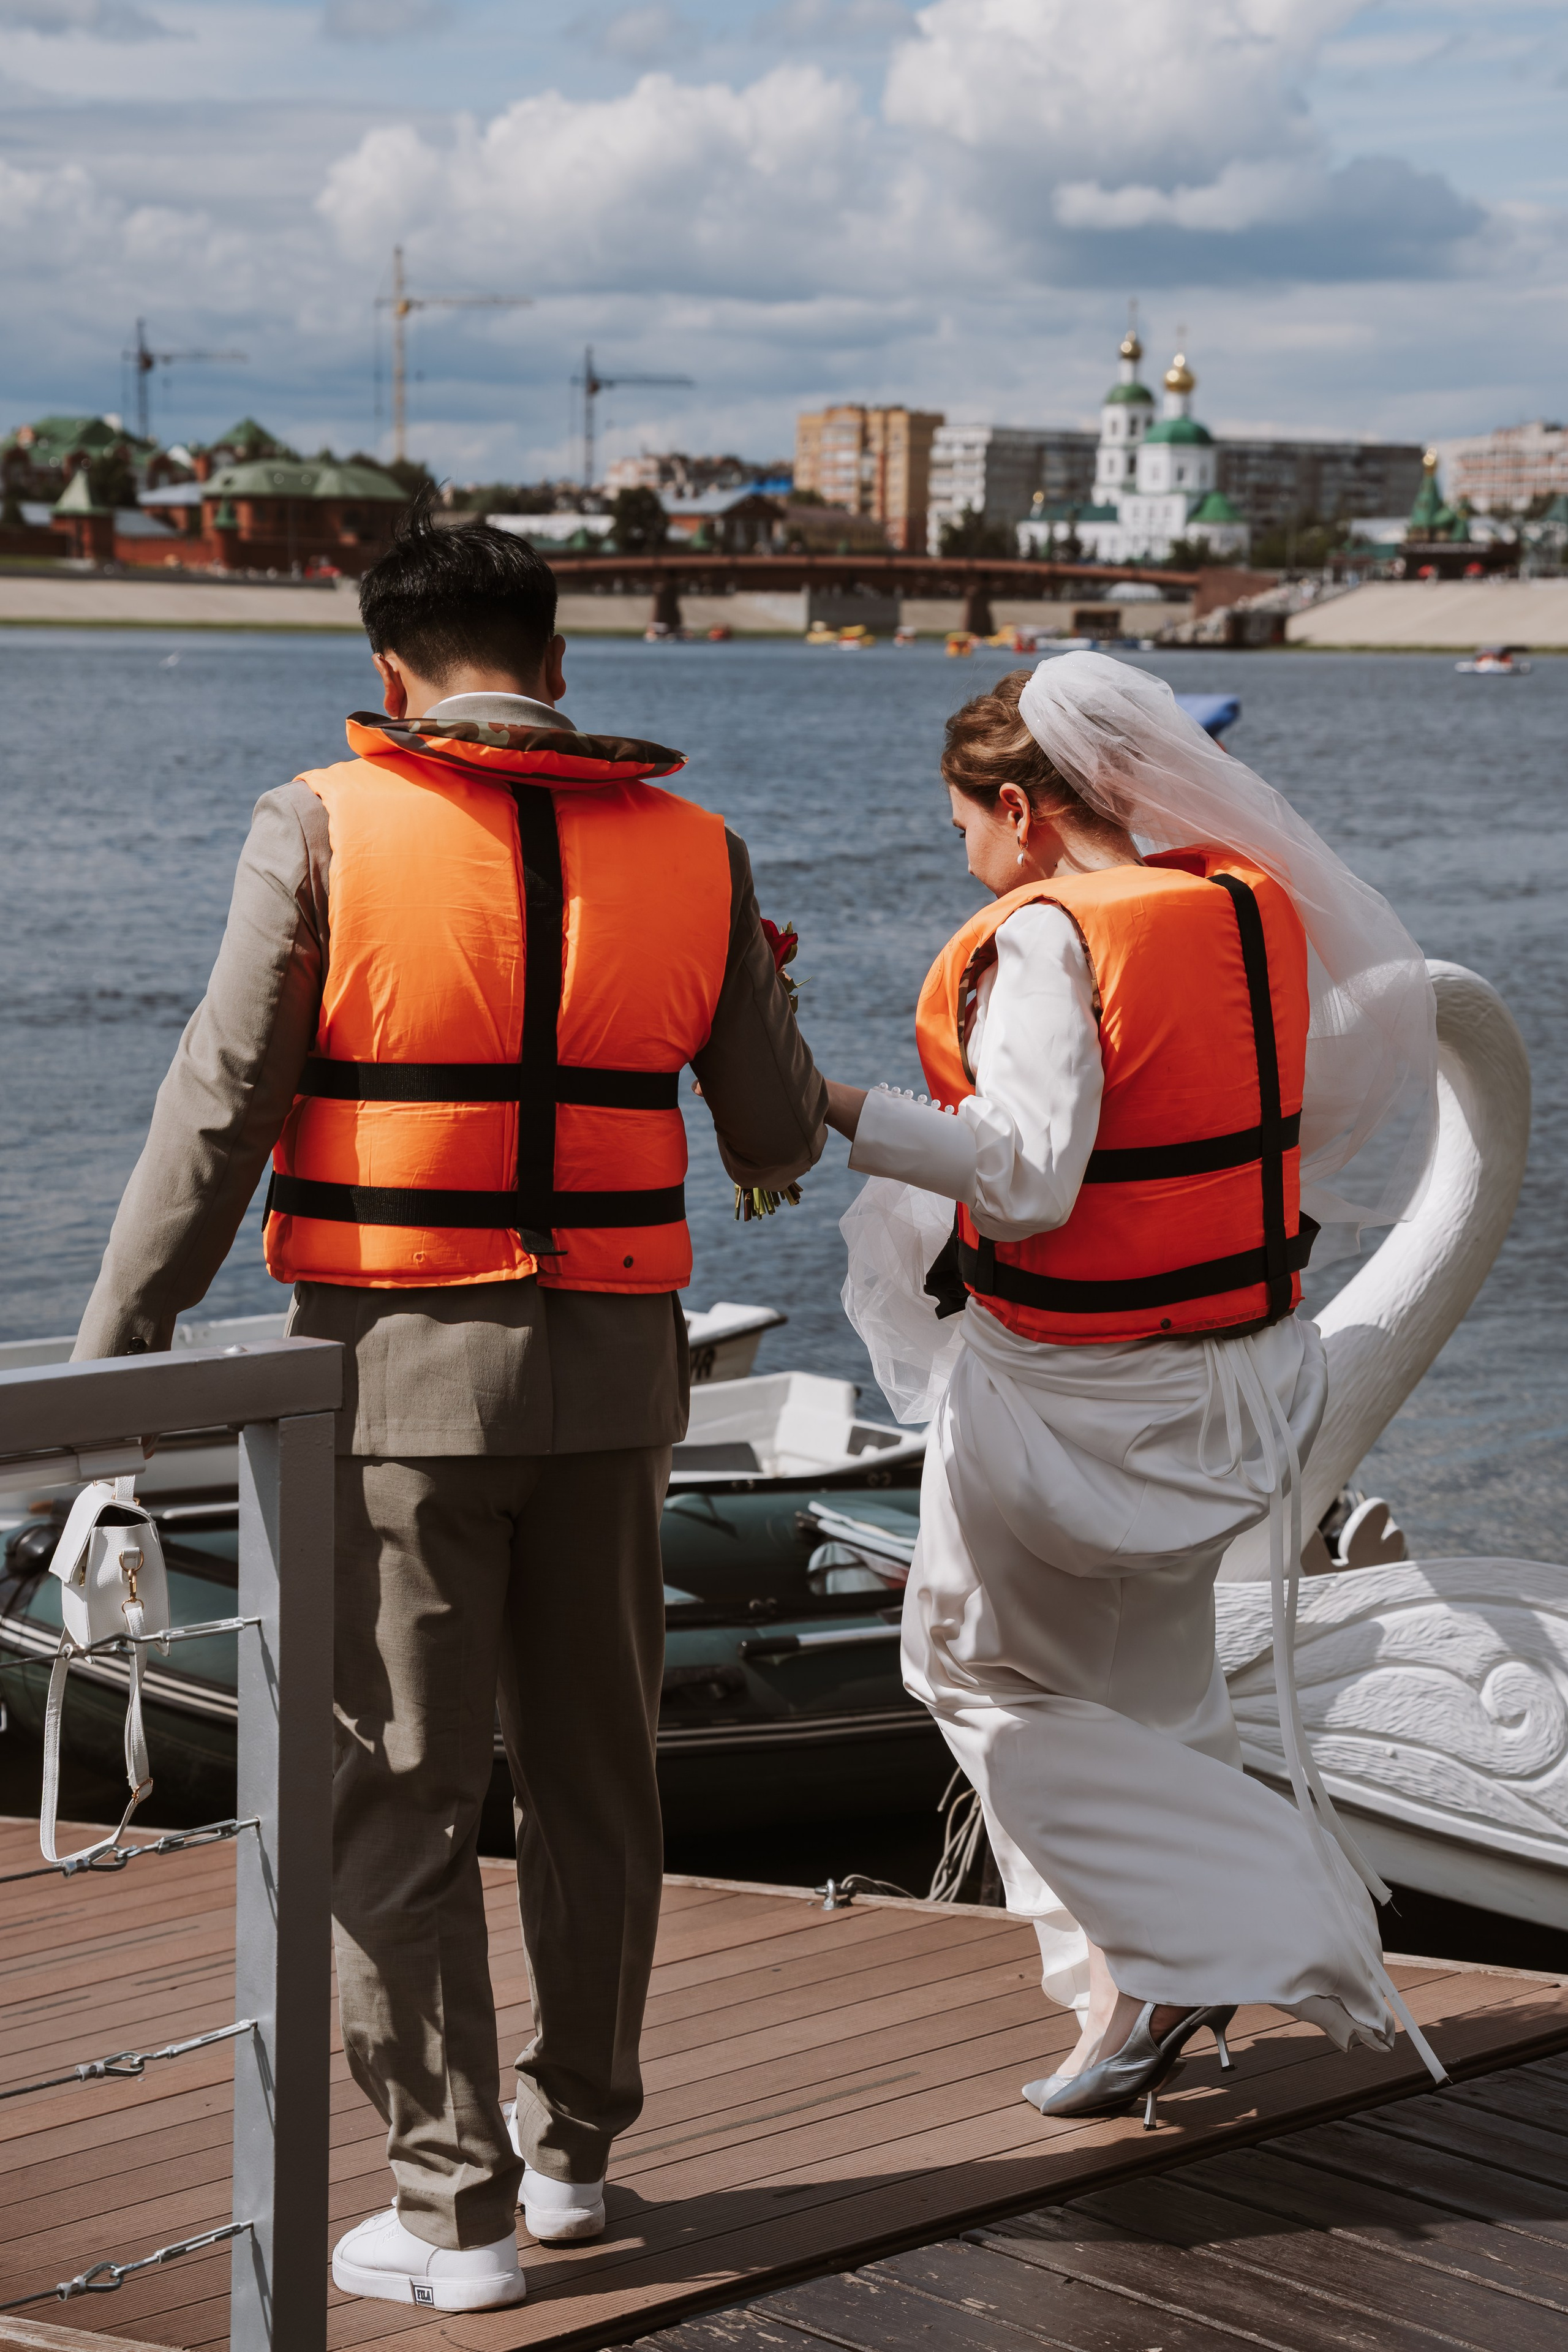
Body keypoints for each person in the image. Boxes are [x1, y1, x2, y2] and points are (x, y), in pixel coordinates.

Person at [74, 497, 826, 2314]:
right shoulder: (699, 846)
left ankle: (454, 2207)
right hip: (622, 1383)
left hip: (400, 1379)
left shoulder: (318, 823)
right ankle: (574, 2160)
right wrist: (758, 1001)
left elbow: (227, 1090)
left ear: (388, 671)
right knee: (596, 1781)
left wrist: (125, 1338)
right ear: (562, 668)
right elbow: (778, 1137)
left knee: (392, 1794)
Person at [827, 653, 1444, 2127]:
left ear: (1024, 810)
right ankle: (1126, 1988)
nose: (961, 857)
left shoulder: (1046, 939)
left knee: (963, 1664)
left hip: (1078, 1401)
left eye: (964, 825)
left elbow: (1030, 1182)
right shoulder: (1250, 907)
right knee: (1156, 1688)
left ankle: (1244, 1913)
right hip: (1239, 1380)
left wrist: (830, 1109)